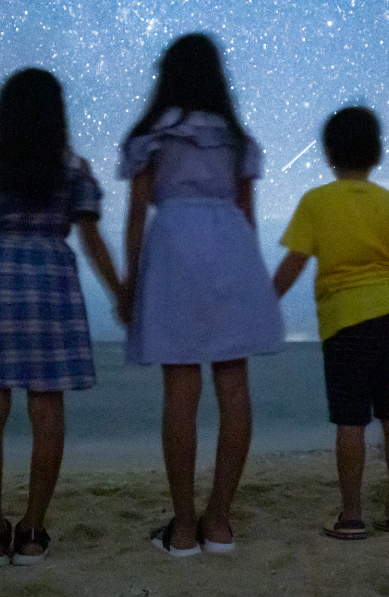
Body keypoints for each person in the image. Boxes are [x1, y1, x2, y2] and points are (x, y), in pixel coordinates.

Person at [0, 69, 121, 568]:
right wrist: (120, 290)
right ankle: (33, 531)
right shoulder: (71, 168)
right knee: (46, 407)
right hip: (50, 284)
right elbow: (92, 238)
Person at [118, 32, 285, 557]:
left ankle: (185, 526)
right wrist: (253, 281)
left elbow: (134, 217)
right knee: (234, 386)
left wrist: (130, 280)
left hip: (173, 249)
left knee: (181, 392)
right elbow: (248, 215)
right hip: (230, 246)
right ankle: (220, 519)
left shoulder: (154, 136)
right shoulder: (237, 138)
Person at [273, 106, 389, 539]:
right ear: (377, 153)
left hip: (344, 325)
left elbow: (293, 264)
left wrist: (265, 304)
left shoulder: (316, 202)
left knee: (351, 422)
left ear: (328, 154)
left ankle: (353, 514)